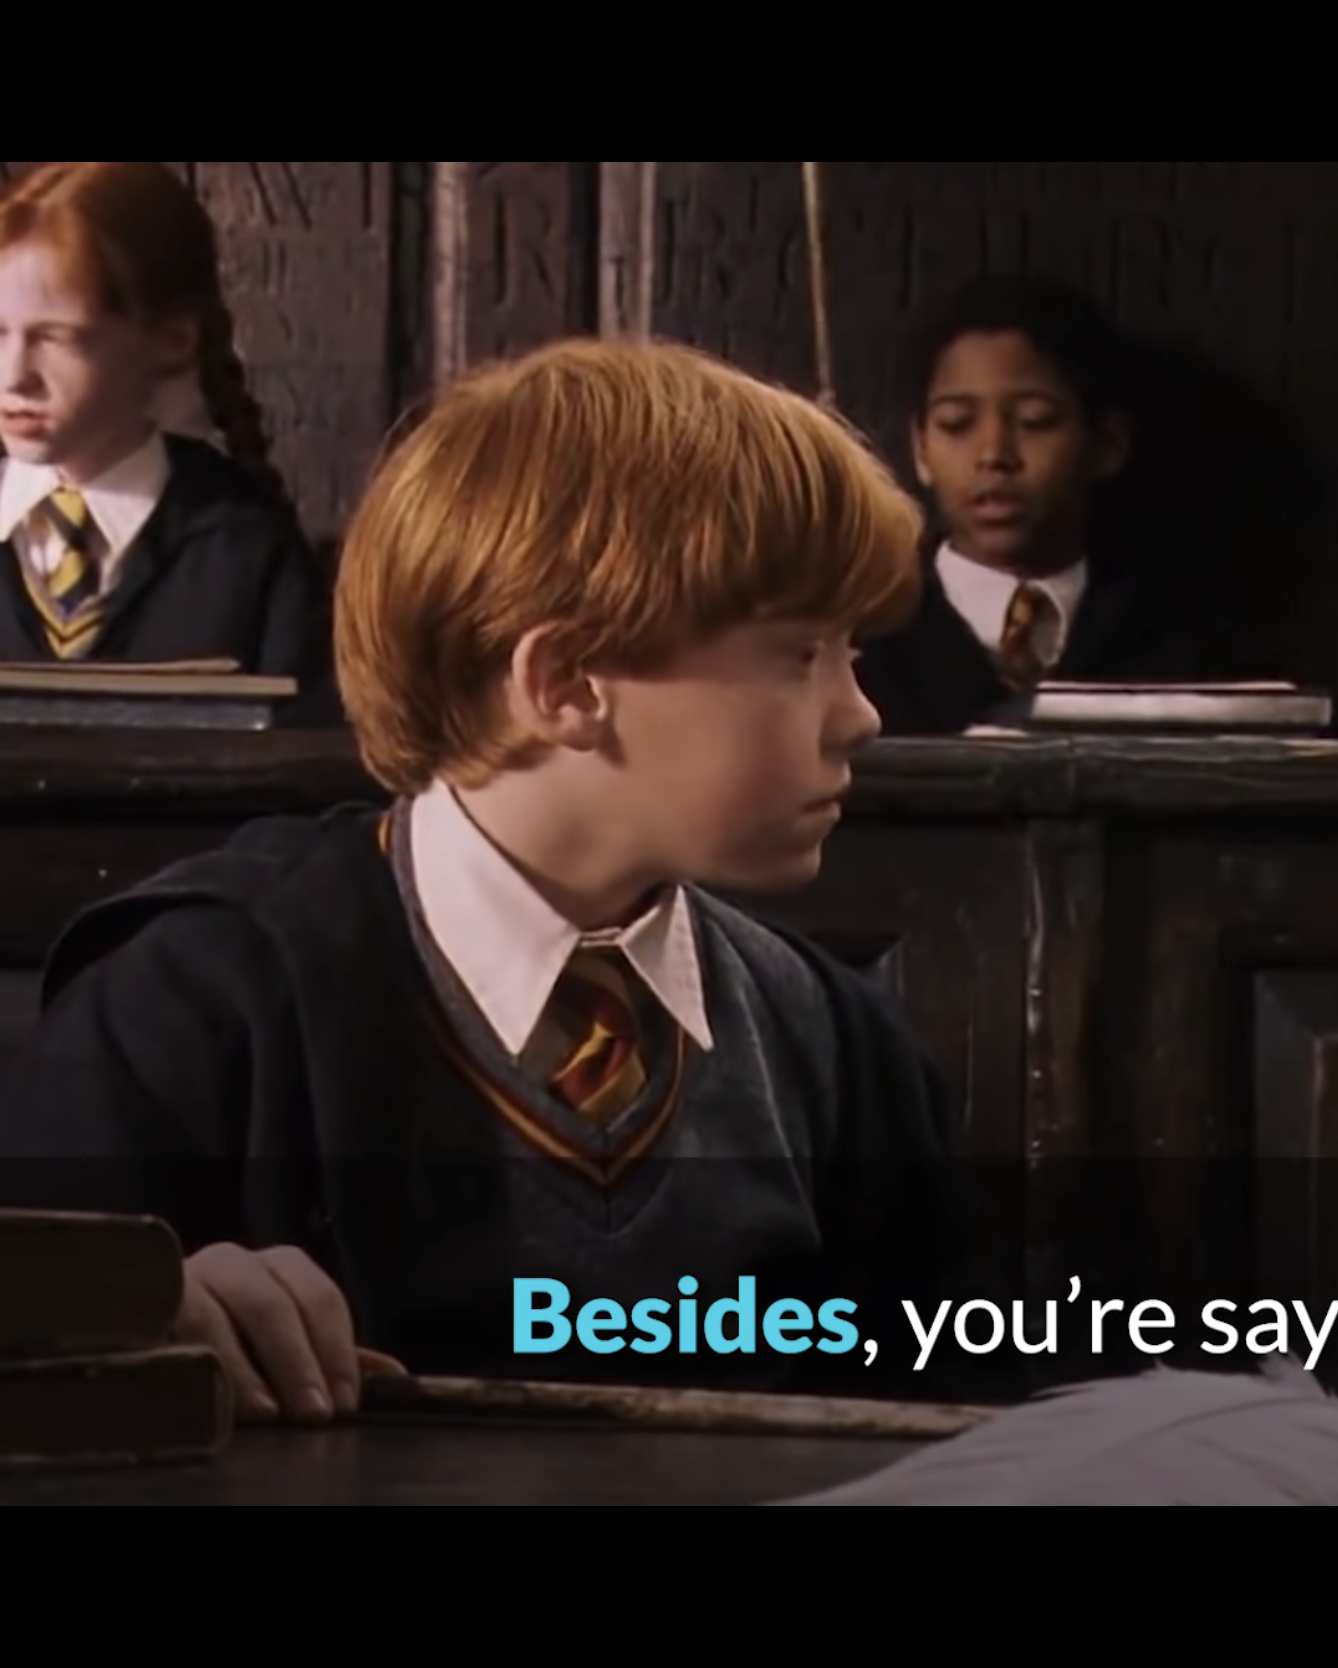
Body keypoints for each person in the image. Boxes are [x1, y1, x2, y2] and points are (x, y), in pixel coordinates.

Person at [0, 338, 967, 1421]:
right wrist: (142, 1315)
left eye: (852, 652)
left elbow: (938, 1434)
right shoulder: (194, 1000)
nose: (861, 715)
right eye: (799, 656)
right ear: (564, 682)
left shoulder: (836, 1045)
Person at [0, 162, 331, 713]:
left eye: (56, 338)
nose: (14, 376)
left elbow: (312, 751)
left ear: (170, 341)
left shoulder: (246, 550)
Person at [859, 274, 1213, 732]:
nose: (994, 455)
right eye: (957, 423)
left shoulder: (1173, 637)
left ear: (1107, 443)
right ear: (921, 449)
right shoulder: (867, 630)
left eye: (1035, 420)